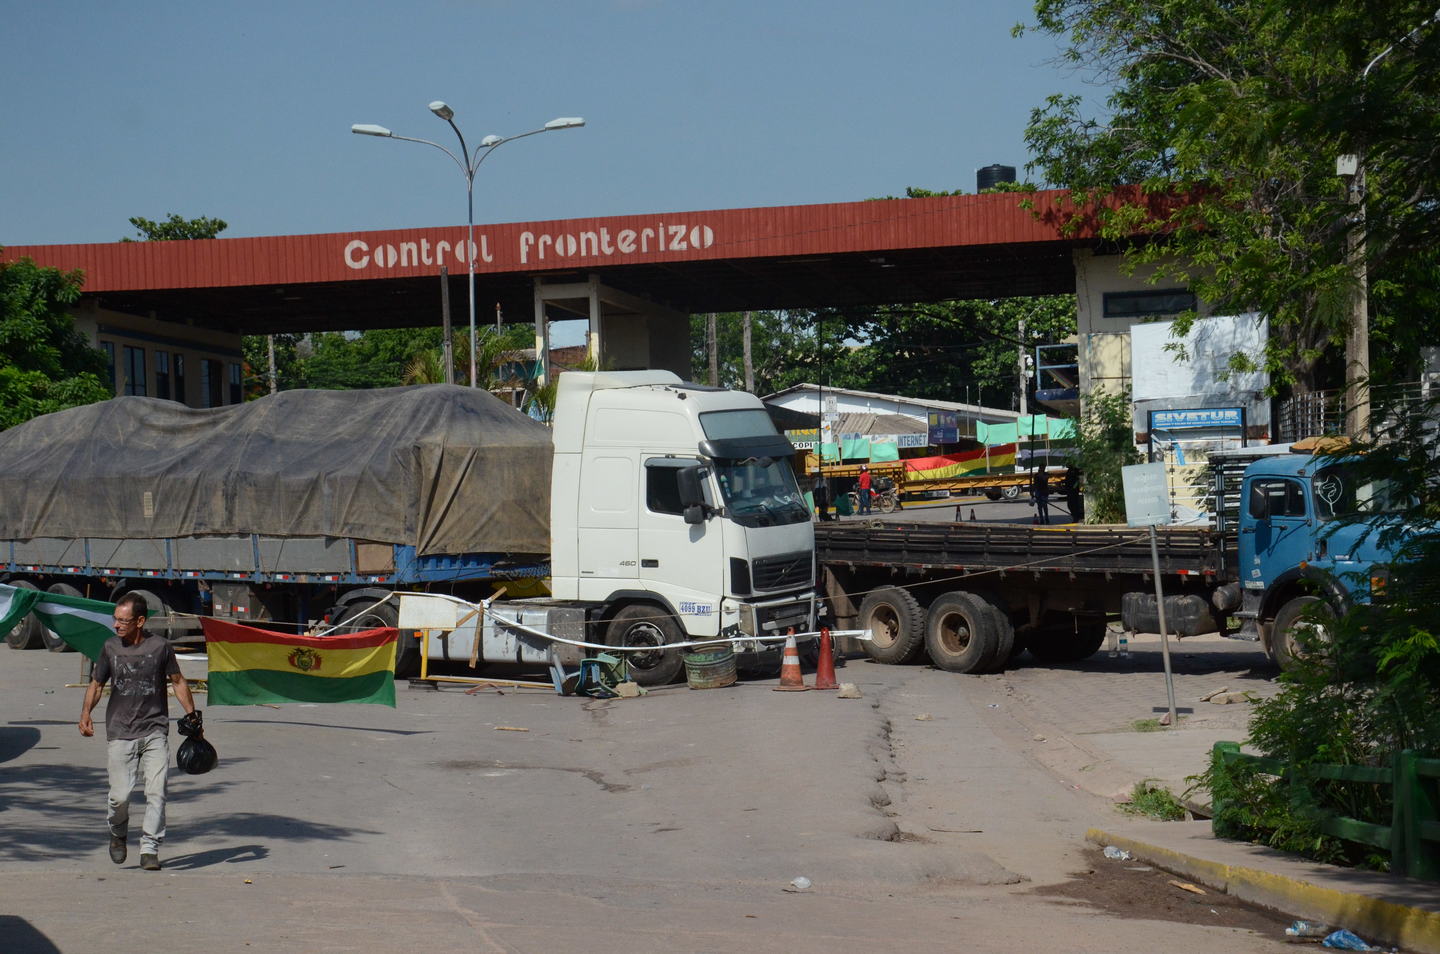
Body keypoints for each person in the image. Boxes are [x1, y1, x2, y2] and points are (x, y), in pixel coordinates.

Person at [79, 593, 198, 871]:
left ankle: (149, 848)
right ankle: (118, 832)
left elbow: (178, 681)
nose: (117, 625)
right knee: (119, 796)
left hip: (155, 729)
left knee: (157, 792)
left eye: (123, 620)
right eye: (115, 620)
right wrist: (85, 714)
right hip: (120, 731)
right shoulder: (110, 647)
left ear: (140, 621)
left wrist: (193, 716)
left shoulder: (160, 647)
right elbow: (96, 684)